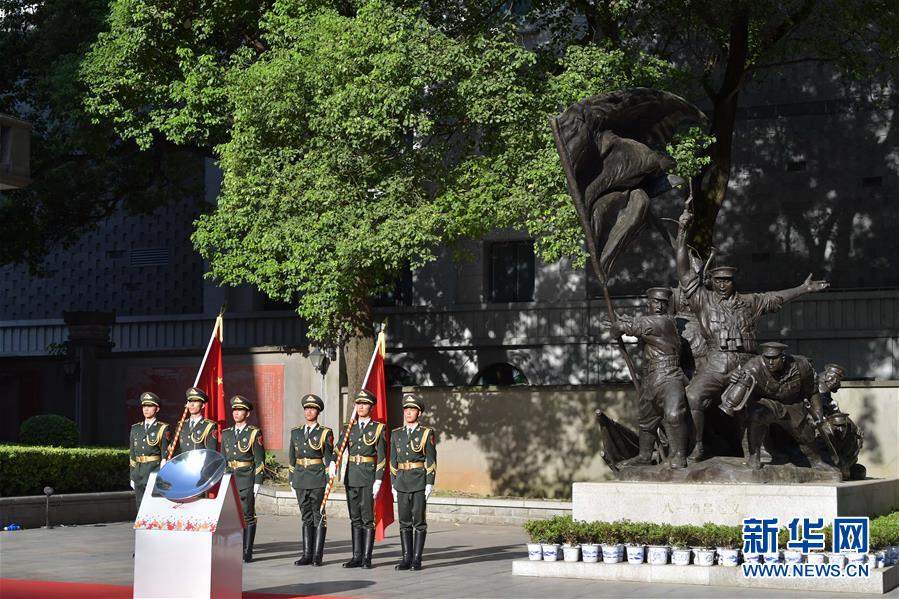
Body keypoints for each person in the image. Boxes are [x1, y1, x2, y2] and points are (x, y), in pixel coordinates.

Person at [675, 208, 829, 460]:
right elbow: (683, 271)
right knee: (693, 395)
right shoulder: (703, 300)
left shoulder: (750, 302)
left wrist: (803, 289)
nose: (723, 284)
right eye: (718, 280)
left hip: (748, 363)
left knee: (751, 405)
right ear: (712, 282)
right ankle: (698, 445)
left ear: (733, 281)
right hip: (715, 363)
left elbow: (776, 299)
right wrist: (682, 231)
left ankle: (753, 451)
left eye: (727, 280)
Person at [610, 287, 689, 468]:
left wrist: (620, 325)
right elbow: (632, 326)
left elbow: (621, 328)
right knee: (646, 421)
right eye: (655, 302)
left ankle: (679, 456)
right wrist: (623, 324)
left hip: (670, 376)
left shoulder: (664, 322)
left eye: (663, 303)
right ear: (649, 303)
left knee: (673, 414)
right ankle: (644, 456)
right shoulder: (650, 322)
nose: (659, 306)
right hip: (651, 379)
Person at [730, 342, 835, 471]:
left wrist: (818, 411)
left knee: (806, 434)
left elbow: (812, 390)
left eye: (774, 359)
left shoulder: (801, 365)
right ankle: (754, 456)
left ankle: (816, 461)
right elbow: (737, 387)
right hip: (767, 402)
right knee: (757, 414)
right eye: (767, 358)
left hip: (793, 404)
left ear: (783, 358)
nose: (770, 363)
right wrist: (734, 377)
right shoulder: (753, 367)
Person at [390, 393, 437, 571]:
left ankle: (416, 559)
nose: (408, 412)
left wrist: (429, 483)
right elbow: (392, 461)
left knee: (418, 520)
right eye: (406, 409)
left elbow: (431, 460)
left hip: (418, 481)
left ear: (419, 413)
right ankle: (405, 558)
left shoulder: (426, 433)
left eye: (412, 409)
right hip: (402, 481)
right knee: (404, 521)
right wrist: (394, 482)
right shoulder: (396, 434)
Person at [288, 394, 335, 567]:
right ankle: (306, 554)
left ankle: (317, 555)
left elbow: (330, 457)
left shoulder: (325, 432)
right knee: (306, 516)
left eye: (312, 408)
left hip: (316, 477)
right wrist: (291, 478)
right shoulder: (296, 432)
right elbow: (292, 457)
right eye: (306, 408)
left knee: (318, 515)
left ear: (318, 411)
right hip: (300, 476)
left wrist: (332, 468)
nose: (309, 411)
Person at [341, 389, 386, 569]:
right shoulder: (349, 427)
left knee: (367, 517)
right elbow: (339, 448)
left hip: (367, 476)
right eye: (358, 403)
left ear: (371, 407)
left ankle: (367, 557)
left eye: (364, 403)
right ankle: (356, 556)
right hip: (351, 476)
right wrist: (331, 463)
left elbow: (382, 457)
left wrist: (378, 479)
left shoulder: (378, 429)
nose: (360, 406)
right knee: (355, 517)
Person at [221, 395, 265, 563]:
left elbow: (259, 459)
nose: (236, 413)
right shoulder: (226, 433)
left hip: (246, 478)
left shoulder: (254, 433)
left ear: (247, 413)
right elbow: (223, 458)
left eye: (240, 410)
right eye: (234, 410)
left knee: (247, 515)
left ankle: (247, 551)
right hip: (230, 478)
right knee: (231, 516)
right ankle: (234, 548)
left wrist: (257, 481)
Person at [129, 392, 171, 509]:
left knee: (154, 507)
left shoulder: (162, 428)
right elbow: (132, 454)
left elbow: (165, 453)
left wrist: (163, 471)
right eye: (144, 406)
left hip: (154, 471)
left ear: (157, 409)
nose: (146, 409)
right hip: (139, 472)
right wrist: (132, 475)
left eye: (150, 406)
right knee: (140, 505)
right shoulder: (135, 428)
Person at [177, 387, 218, 452]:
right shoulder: (181, 424)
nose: (192, 405)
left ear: (203, 405)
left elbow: (211, 452)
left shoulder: (209, 426)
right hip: (183, 461)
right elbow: (175, 447)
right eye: (190, 401)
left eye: (195, 401)